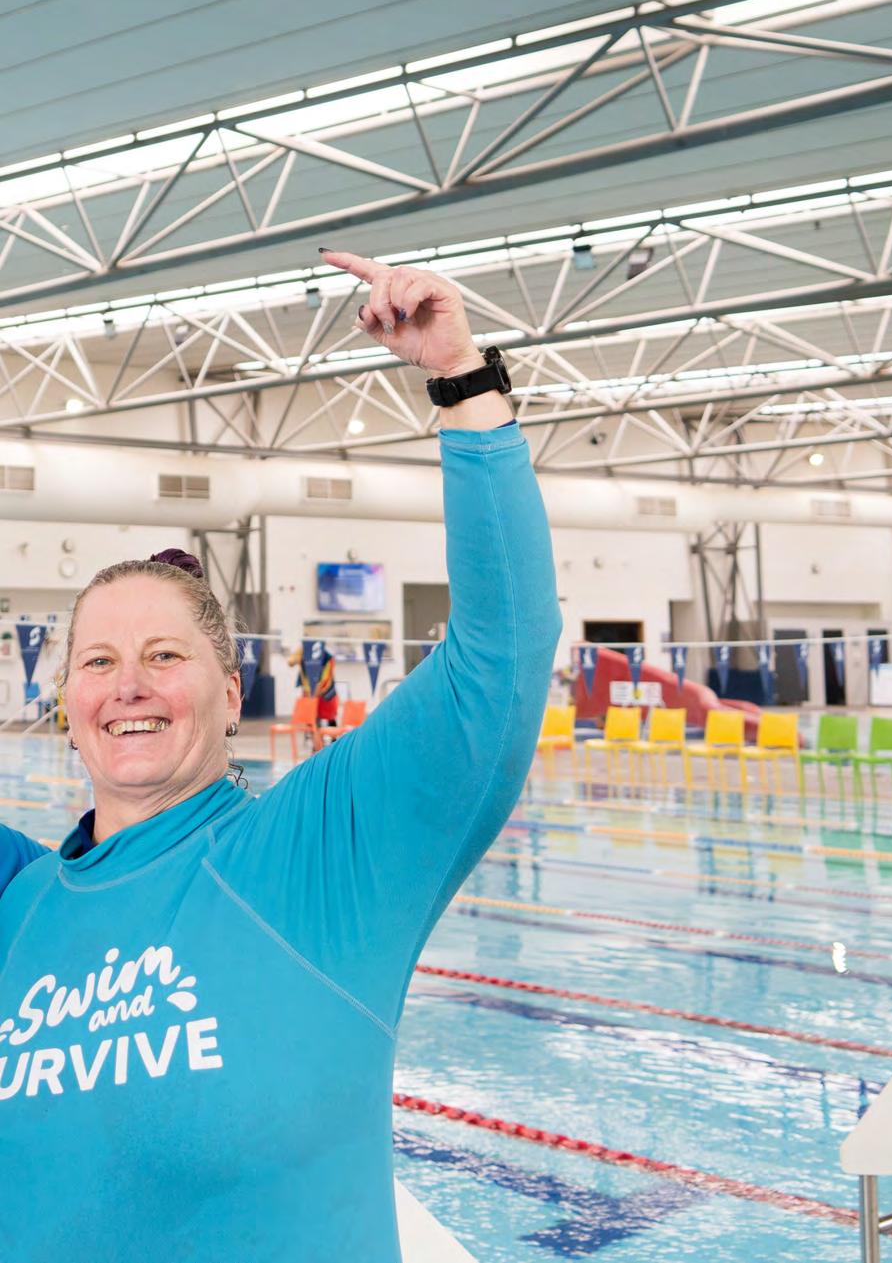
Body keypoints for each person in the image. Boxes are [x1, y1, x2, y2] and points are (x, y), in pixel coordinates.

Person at [0, 251, 560, 1262]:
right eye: (98, 661)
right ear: (67, 703)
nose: (128, 685)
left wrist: (461, 381)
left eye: (164, 655)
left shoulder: (319, 853)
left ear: (230, 688)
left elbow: (499, 659)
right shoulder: (19, 900)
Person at [288, 639, 339, 733]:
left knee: (330, 717)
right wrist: (300, 651)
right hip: (310, 691)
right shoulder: (304, 655)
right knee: (312, 719)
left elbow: (325, 679)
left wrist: (315, 693)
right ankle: (315, 740)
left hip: (326, 692)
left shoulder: (327, 657)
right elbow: (291, 662)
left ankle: (334, 740)